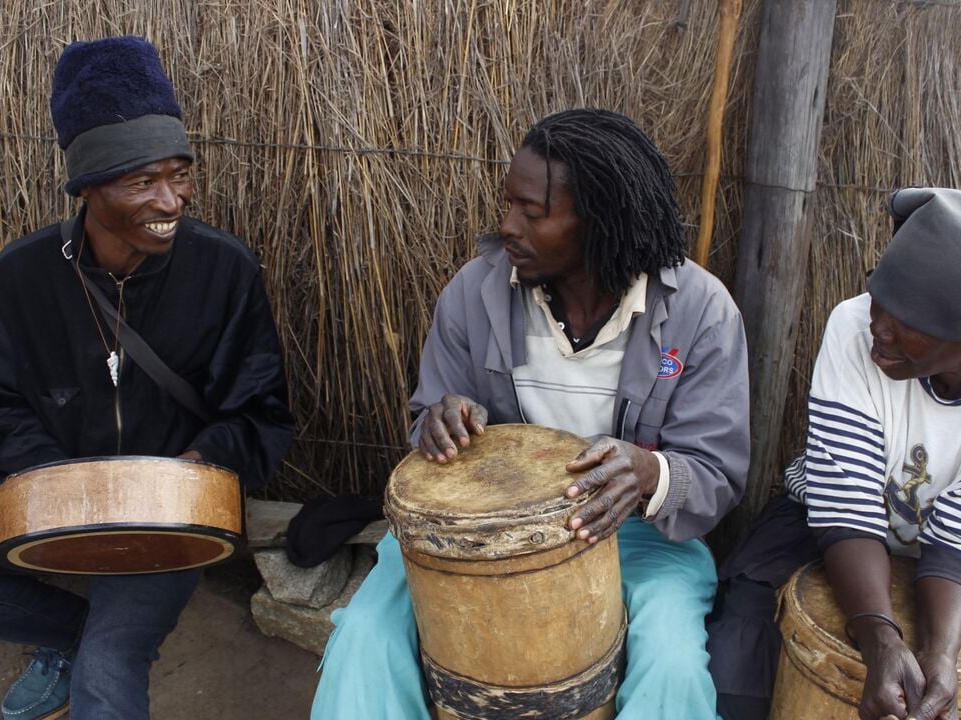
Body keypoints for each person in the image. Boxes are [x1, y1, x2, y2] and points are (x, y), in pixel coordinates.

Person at [0, 36, 296, 720]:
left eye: (180, 174)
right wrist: (55, 483)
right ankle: (62, 636)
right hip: (49, 487)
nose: (171, 200)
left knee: (107, 681)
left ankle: (91, 654)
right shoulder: (21, 275)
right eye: (142, 181)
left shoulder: (225, 271)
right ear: (87, 187)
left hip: (166, 507)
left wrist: (194, 467)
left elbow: (261, 407)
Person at [311, 108, 750, 719]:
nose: (507, 226)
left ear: (600, 222)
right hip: (471, 538)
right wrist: (441, 424)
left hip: (633, 537)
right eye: (509, 205)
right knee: (365, 641)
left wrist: (651, 476)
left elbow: (717, 473)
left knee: (670, 665)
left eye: (533, 213)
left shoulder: (699, 312)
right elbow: (425, 432)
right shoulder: (475, 293)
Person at [707, 187, 961, 720]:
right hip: (825, 525)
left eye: (911, 322)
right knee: (738, 668)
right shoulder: (851, 325)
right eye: (878, 299)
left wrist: (941, 656)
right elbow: (845, 503)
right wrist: (879, 638)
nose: (879, 329)